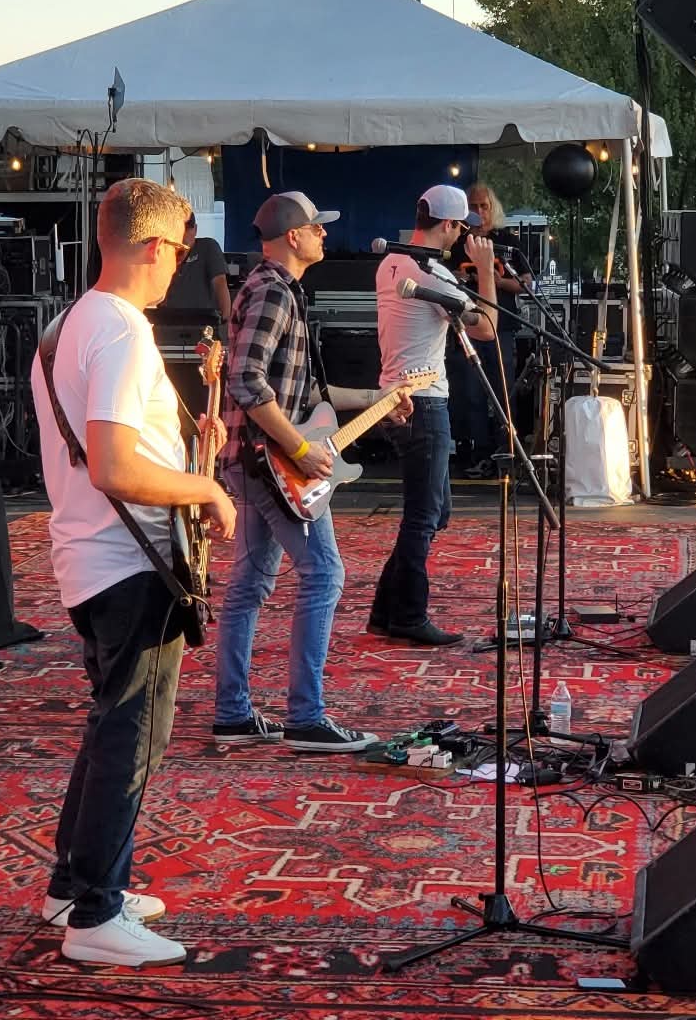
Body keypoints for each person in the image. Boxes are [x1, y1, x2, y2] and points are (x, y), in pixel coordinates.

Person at [30, 178, 237, 968]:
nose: (179, 267)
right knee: (132, 739)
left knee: (109, 727)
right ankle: (96, 914)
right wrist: (208, 486)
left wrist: (190, 450)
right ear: (153, 246)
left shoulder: (66, 326)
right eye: (180, 252)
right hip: (132, 566)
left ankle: (72, 887)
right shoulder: (119, 330)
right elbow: (116, 466)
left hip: (89, 558)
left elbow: (103, 455)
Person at [214, 190, 412, 752]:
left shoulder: (277, 291)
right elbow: (247, 383)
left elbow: (307, 397)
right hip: (268, 463)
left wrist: (380, 397)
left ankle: (233, 710)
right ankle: (306, 715)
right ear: (292, 236)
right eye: (317, 228)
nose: (325, 235)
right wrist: (300, 449)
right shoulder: (273, 293)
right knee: (324, 574)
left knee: (249, 587)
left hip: (256, 460)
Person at [368, 184, 497, 646]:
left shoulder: (392, 264)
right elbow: (486, 328)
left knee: (434, 511)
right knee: (424, 515)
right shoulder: (432, 276)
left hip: (395, 395)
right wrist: (484, 271)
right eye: (461, 227)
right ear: (446, 225)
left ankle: (386, 609)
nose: (463, 234)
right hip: (423, 400)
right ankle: (408, 614)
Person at [449, 183, 529, 478]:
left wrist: (495, 280)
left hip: (501, 328)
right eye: (473, 207)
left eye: (484, 206)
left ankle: (507, 453)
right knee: (470, 394)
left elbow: (525, 284)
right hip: (465, 329)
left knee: (503, 393)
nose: (479, 212)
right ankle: (479, 454)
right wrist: (456, 277)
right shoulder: (457, 244)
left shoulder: (506, 242)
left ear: (492, 209)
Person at [161, 211, 231, 325]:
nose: (184, 234)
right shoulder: (163, 252)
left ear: (196, 229)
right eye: (180, 229)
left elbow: (220, 283)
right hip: (168, 323)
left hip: (203, 323)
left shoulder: (208, 247)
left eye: (188, 229)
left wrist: (226, 319)